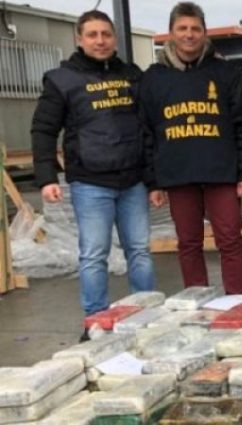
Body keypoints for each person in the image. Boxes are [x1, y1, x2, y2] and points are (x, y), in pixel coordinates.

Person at [31, 10, 155, 334]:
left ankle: (147, 316)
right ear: (79, 39)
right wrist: (46, 178)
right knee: (93, 255)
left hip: (133, 181)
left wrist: (153, 179)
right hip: (90, 183)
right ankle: (96, 323)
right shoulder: (62, 79)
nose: (100, 41)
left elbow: (147, 128)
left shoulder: (132, 76)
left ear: (115, 38)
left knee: (140, 252)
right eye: (92, 35)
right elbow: (43, 130)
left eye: (106, 34)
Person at [139, 2, 242, 294]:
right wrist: (153, 182)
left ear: (205, 32)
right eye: (182, 28)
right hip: (178, 175)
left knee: (230, 240)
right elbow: (146, 131)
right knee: (189, 243)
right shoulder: (154, 77)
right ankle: (197, 304)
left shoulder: (226, 73)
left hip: (222, 173)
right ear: (171, 33)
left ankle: (236, 304)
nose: (189, 34)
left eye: (195, 28)